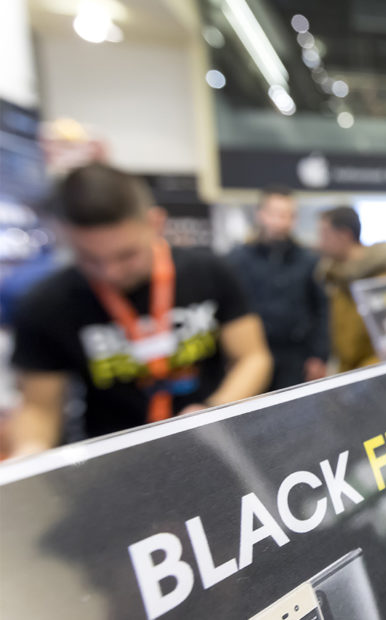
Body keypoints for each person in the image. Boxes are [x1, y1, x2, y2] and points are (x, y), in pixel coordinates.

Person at [7, 163, 272, 455]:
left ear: (156, 223)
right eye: (89, 258)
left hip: (211, 447)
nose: (110, 272)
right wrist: (28, 457)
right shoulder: (46, 304)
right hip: (110, 460)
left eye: (127, 255)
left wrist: (212, 411)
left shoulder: (210, 272)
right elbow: (39, 409)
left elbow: (252, 357)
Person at [227, 186, 329, 391]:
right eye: (275, 214)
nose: (280, 222)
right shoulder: (237, 260)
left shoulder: (309, 260)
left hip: (296, 357)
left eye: (287, 215)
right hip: (252, 355)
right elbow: (228, 311)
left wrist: (319, 355)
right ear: (261, 215)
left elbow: (321, 309)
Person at [317, 206, 386, 372]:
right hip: (348, 376)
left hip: (373, 380)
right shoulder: (337, 278)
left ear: (344, 235)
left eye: (324, 235)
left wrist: (361, 380)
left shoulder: (380, 279)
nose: (320, 242)